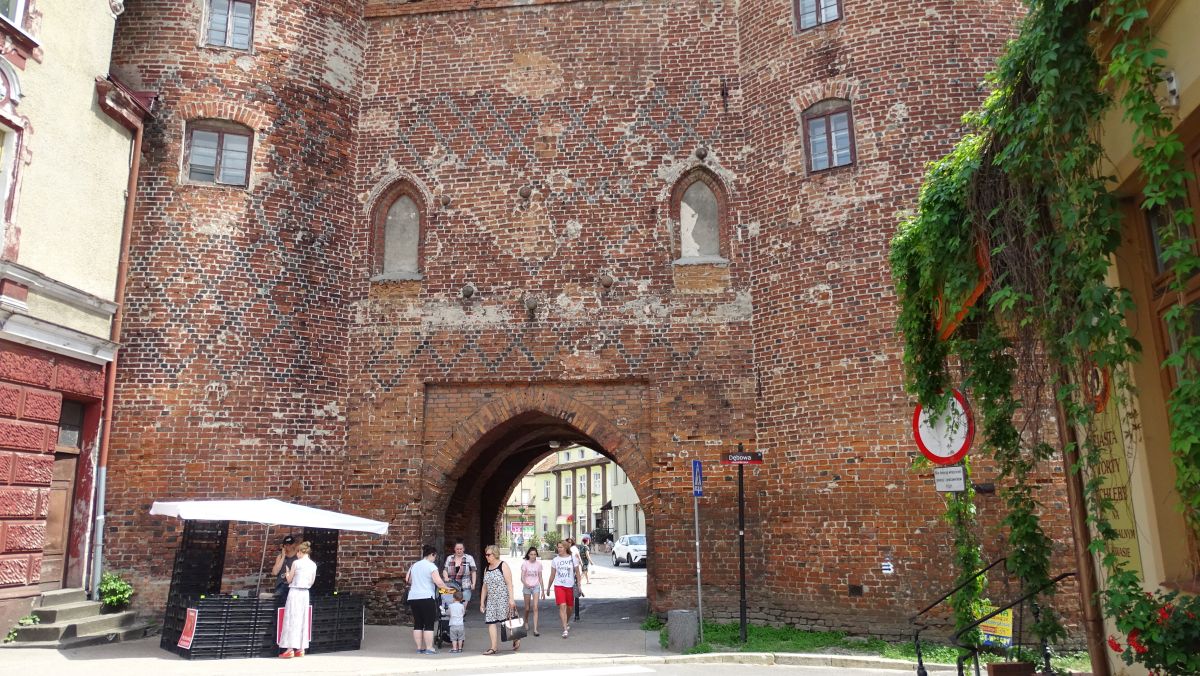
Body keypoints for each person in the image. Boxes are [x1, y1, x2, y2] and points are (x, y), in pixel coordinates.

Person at [407, 544, 450, 655]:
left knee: (418, 623)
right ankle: (429, 648)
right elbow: (439, 582)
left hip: (413, 597)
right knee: (429, 623)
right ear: (432, 554)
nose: (435, 559)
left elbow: (408, 580)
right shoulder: (431, 566)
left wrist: (419, 582)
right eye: (435, 556)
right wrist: (447, 589)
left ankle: (419, 648)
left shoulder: (414, 565)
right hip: (426, 597)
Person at [278, 540, 316, 659]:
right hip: (305, 593)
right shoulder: (313, 564)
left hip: (295, 592)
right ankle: (301, 648)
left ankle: (290, 649)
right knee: (303, 619)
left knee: (292, 619)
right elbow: (312, 581)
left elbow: (289, 580)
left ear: (300, 552)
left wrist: (288, 572)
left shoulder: (296, 563)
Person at [479, 544, 519, 654]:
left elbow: (509, 583)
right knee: (491, 622)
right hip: (491, 600)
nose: (486, 556)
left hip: (503, 598)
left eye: (488, 554)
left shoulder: (503, 565)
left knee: (507, 621)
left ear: (495, 554)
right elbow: (484, 586)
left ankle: (516, 638)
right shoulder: (487, 569)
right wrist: (482, 602)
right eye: (485, 554)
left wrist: (511, 599)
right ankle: (493, 647)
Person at [545, 540, 581, 638]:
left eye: (561, 547)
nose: (559, 549)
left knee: (570, 607)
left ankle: (566, 621)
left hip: (569, 586)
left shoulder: (573, 558)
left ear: (565, 548)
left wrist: (579, 585)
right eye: (558, 547)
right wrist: (548, 587)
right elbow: (552, 574)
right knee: (562, 606)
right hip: (558, 585)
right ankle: (565, 629)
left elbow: (577, 573)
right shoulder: (555, 560)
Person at [520, 546, 544, 637]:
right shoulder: (525, 564)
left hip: (536, 587)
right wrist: (526, 584)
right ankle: (526, 621)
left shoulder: (539, 564)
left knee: (535, 607)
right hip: (527, 587)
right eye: (531, 554)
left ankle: (535, 629)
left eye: (534, 554)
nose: (533, 556)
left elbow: (540, 577)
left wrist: (543, 590)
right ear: (528, 555)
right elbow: (522, 577)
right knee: (527, 608)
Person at [443, 540, 477, 604]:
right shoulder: (449, 558)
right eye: (457, 549)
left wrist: (473, 583)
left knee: (463, 607)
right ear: (454, 549)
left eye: (461, 549)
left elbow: (473, 571)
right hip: (452, 585)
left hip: (465, 585)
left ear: (463, 549)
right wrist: (445, 577)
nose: (459, 551)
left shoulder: (469, 558)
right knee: (452, 606)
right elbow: (445, 570)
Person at [270, 535, 298, 608]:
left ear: (294, 545)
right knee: (279, 609)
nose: (288, 546)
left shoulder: (298, 557)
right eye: (286, 544)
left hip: (294, 585)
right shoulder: (280, 557)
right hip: (281, 584)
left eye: (290, 544)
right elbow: (274, 572)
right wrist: (283, 557)